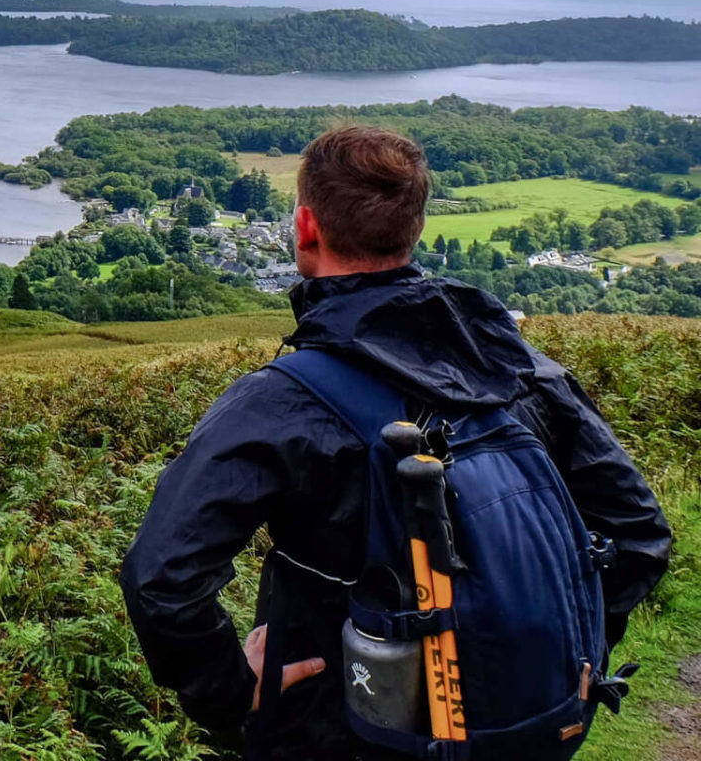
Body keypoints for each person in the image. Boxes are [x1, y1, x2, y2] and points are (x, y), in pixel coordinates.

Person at [118, 126, 671, 759]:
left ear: (305, 229)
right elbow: (638, 535)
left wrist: (229, 692)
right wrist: (572, 654)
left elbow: (161, 579)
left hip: (333, 726)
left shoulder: (282, 400)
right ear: (416, 228)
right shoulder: (525, 373)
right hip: (519, 726)